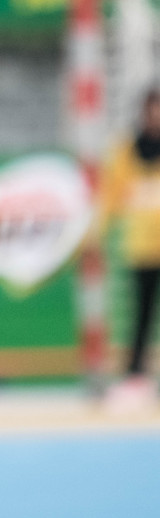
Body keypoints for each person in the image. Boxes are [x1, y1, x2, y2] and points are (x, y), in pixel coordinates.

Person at [100, 88, 160, 412]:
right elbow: (111, 195)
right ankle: (135, 376)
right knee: (141, 316)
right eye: (153, 109)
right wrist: (99, 232)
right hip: (141, 246)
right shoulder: (126, 150)